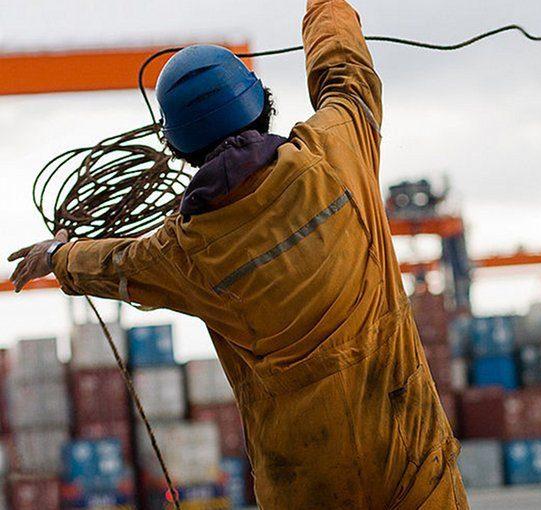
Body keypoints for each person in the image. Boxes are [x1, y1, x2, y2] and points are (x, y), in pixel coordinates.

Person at [8, 1, 469, 508]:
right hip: (412, 463)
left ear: (180, 151)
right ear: (261, 105)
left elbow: (117, 264)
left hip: (305, 486)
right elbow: (344, 70)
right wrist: (326, 5)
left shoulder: (185, 255)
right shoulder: (338, 153)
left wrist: (57, 256)